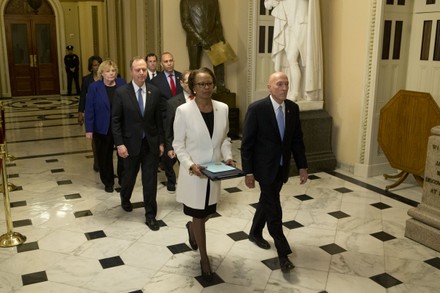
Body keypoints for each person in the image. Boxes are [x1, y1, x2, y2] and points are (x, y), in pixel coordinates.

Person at [240, 71, 309, 273]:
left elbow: (297, 140)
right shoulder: (257, 109)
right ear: (269, 87)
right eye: (279, 84)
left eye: (286, 84)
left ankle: (254, 232)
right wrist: (248, 172)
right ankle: (282, 252)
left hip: (282, 167)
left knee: (267, 200)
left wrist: (303, 167)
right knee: (274, 208)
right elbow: (247, 144)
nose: (284, 88)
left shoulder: (293, 109)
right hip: (264, 168)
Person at [173, 67, 234, 282]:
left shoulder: (223, 108)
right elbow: (178, 145)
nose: (205, 88)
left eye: (209, 83)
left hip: (214, 172)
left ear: (214, 84)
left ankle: (191, 227)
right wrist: (190, 165)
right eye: (200, 84)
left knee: (207, 212)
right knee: (198, 213)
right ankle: (204, 258)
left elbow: (225, 138)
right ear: (192, 87)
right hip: (194, 174)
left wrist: (227, 157)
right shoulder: (183, 111)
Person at [112, 56, 164, 231]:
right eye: (137, 70)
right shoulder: (121, 92)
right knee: (129, 177)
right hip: (129, 144)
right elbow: (116, 121)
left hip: (150, 144)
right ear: (131, 71)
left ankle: (150, 215)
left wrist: (161, 143)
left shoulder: (154, 91)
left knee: (150, 180)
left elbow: (159, 120)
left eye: (143, 69)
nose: (141, 73)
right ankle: (125, 197)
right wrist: (119, 144)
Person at [264, 0, 323, 102]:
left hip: (301, 23)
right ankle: (294, 92)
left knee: (293, 58)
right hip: (290, 24)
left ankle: (296, 92)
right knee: (291, 59)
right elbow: (268, 4)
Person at [85, 59, 126, 193]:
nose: (111, 73)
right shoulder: (94, 87)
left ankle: (122, 180)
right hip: (102, 127)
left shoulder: (122, 84)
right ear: (102, 73)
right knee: (104, 156)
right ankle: (108, 182)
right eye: (108, 71)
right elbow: (89, 108)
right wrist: (89, 129)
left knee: (123, 155)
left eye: (113, 70)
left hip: (120, 127)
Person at [179, 0, 228, 92]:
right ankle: (193, 87)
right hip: (194, 38)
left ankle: (221, 86)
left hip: (213, 36)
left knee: (219, 63)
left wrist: (221, 37)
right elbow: (186, 23)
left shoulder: (214, 1)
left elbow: (217, 20)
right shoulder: (185, 1)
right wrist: (201, 39)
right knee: (194, 66)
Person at [151, 52, 183, 193]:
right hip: (165, 120)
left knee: (183, 149)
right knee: (168, 153)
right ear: (161, 64)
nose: (169, 63)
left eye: (171, 60)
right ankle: (171, 179)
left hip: (183, 118)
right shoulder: (156, 81)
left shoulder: (182, 77)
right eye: (166, 61)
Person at [78, 55, 103, 172]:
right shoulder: (86, 80)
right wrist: (80, 112)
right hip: (92, 113)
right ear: (91, 67)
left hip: (104, 113)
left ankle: (103, 161)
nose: (97, 67)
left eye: (98, 64)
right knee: (95, 139)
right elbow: (83, 96)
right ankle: (97, 162)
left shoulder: (106, 78)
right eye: (94, 65)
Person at [165, 70, 192, 161]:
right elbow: (169, 127)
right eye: (188, 82)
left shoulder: (203, 99)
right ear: (181, 83)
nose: (191, 85)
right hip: (182, 145)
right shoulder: (172, 103)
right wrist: (170, 147)